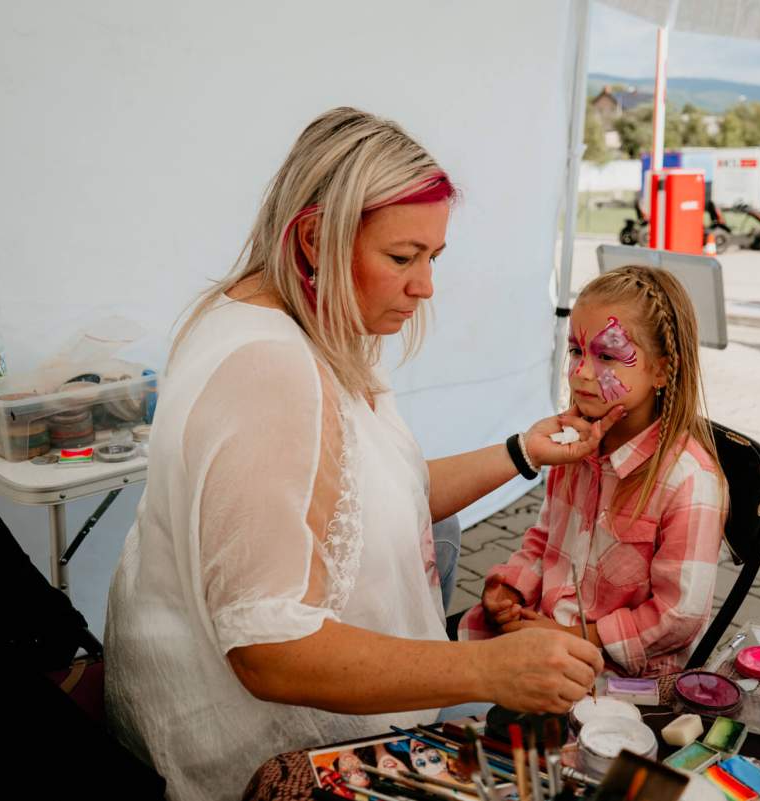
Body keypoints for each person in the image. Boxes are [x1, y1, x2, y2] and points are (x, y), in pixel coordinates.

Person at [104, 107, 612, 801]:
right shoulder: (268, 372)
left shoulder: (305, 324)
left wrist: (522, 451)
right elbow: (268, 649)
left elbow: (368, 496)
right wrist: (490, 669)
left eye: (433, 258)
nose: (425, 285)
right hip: (270, 758)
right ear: (315, 237)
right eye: (402, 257)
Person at [459, 266, 728, 679]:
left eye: (606, 356)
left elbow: (679, 616)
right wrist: (512, 587)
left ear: (661, 370)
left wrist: (573, 636)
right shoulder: (573, 450)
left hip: (620, 674)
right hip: (547, 629)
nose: (582, 372)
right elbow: (546, 540)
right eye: (575, 351)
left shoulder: (689, 482)